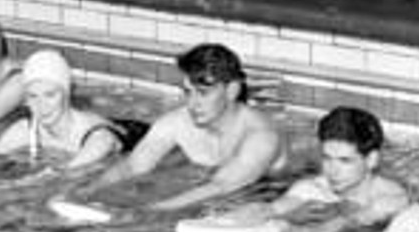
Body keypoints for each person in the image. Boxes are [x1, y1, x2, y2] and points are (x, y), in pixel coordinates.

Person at [87, 43, 287, 213]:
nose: (192, 104)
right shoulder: (178, 122)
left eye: (203, 93)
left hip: (266, 193)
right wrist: (87, 192)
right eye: (188, 92)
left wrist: (149, 212)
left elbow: (221, 186)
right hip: (209, 185)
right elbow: (132, 166)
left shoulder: (261, 136)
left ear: (232, 90)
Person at [0, 49, 140, 192]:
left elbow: (64, 175)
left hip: (141, 142)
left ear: (67, 93)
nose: (41, 106)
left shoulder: (98, 139)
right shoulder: (24, 129)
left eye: (51, 95)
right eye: (33, 96)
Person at [238, 106, 410, 232]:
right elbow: (272, 208)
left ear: (371, 160)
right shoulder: (314, 187)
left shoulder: (390, 199)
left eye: (345, 161)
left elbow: (351, 221)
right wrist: (237, 217)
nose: (332, 171)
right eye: (327, 158)